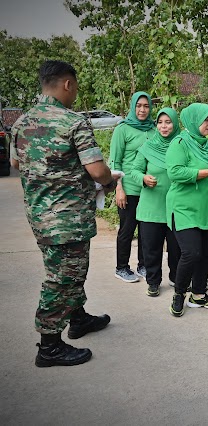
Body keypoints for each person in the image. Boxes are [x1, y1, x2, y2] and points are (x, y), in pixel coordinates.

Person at [11, 60, 117, 367]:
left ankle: (79, 317)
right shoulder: (73, 122)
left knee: (69, 271)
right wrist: (110, 181)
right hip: (67, 219)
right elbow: (97, 171)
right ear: (67, 84)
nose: (76, 93)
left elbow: (17, 164)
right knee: (61, 279)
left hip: (40, 216)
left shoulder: (21, 123)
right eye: (76, 87)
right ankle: (50, 346)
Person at [166, 103, 208, 317]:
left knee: (206, 253)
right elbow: (175, 173)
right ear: (193, 121)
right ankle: (179, 293)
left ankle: (199, 295)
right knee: (191, 253)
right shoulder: (179, 143)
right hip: (184, 208)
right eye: (205, 120)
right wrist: (206, 173)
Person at [129, 107, 182, 297]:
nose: (163, 126)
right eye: (160, 122)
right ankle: (153, 282)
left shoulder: (181, 145)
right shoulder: (148, 147)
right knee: (151, 248)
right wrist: (143, 178)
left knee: (177, 249)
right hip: (151, 208)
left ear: (175, 123)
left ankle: (177, 278)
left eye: (168, 122)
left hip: (176, 208)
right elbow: (134, 170)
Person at [110, 91, 155, 283]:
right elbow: (115, 161)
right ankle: (121, 267)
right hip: (129, 188)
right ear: (133, 107)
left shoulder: (154, 129)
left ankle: (143, 265)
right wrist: (119, 188)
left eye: (146, 106)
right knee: (127, 229)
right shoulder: (123, 129)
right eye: (139, 106)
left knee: (146, 231)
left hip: (149, 189)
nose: (142, 110)